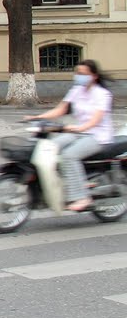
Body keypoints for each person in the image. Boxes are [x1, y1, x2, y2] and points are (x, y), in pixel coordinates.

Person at [26, 59, 113, 212]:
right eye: (77, 73)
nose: (78, 76)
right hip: (78, 132)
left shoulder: (103, 94)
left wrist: (80, 128)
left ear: (94, 76)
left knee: (69, 155)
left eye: (82, 74)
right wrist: (38, 118)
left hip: (97, 136)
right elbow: (60, 109)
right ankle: (62, 185)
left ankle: (82, 197)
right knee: (50, 147)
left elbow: (96, 120)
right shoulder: (77, 90)